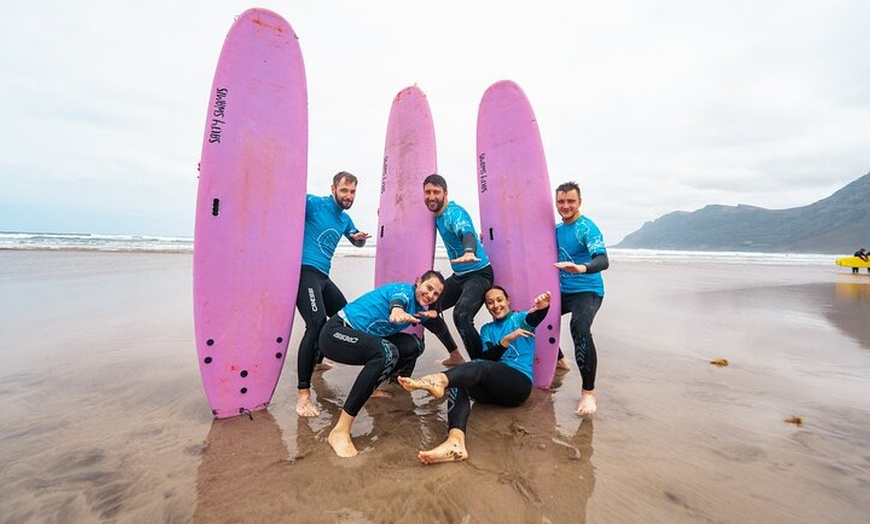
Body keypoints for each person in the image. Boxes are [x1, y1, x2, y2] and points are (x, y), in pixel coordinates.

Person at [398, 287, 552, 464]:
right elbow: (487, 359)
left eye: (499, 300)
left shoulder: (520, 319)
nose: (496, 305)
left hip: (518, 386)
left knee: (476, 366)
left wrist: (543, 307)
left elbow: (535, 317)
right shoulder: (487, 329)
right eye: (490, 302)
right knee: (461, 380)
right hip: (493, 391)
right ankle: (455, 442)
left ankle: (438, 379)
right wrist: (505, 341)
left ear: (508, 300)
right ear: (486, 306)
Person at [318, 270, 448, 457]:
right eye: (428, 288)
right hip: (336, 333)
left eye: (436, 294)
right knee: (386, 351)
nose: (430, 295)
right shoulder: (403, 291)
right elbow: (397, 302)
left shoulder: (421, 308)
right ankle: (339, 431)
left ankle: (371, 386)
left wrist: (456, 355)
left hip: (364, 338)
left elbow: (438, 327)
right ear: (418, 282)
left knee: (414, 345)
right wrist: (397, 311)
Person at [295, 171, 371, 418]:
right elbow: (278, 197)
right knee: (316, 323)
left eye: (352, 192)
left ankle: (317, 362)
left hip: (323, 277)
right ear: (333, 188)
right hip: (305, 271)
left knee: (344, 317)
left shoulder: (344, 219)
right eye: (344, 190)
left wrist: (358, 239)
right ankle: (303, 396)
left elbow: (355, 240)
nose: (349, 196)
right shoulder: (314, 203)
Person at [423, 173, 494, 365]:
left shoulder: (453, 213)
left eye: (436, 192)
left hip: (479, 274)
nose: (431, 196)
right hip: (459, 276)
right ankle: (455, 355)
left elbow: (466, 231)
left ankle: (481, 366)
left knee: (461, 316)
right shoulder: (434, 215)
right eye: (427, 192)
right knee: (428, 309)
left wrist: (469, 250)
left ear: (445, 193)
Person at [552, 181, 609, 417]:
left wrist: (581, 268)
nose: (565, 206)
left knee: (579, 326)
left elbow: (602, 260)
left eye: (570, 201)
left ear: (579, 202)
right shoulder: (555, 230)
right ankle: (559, 360)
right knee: (534, 317)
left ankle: (588, 392)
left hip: (588, 290)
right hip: (562, 290)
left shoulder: (586, 228)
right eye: (561, 201)